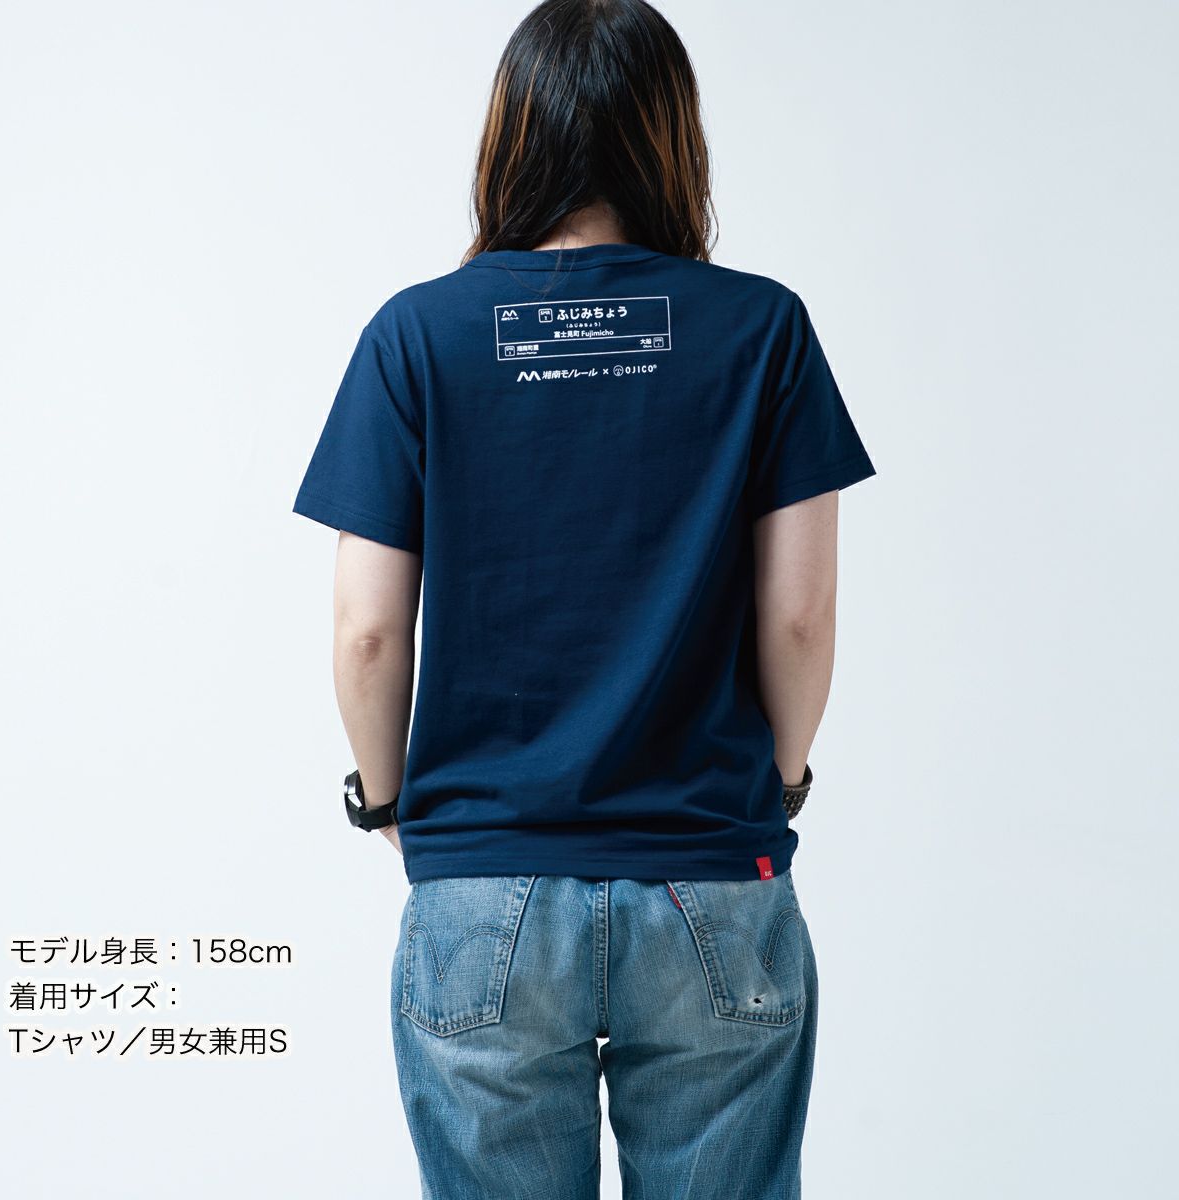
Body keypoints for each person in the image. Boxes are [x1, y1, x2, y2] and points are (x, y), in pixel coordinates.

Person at [292, 1, 877, 1195]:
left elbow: (367, 630)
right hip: (713, 877)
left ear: (512, 135)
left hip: (483, 889)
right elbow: (801, 616)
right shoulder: (763, 329)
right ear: (673, 137)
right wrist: (777, 783)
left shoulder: (417, 336)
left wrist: (386, 802)